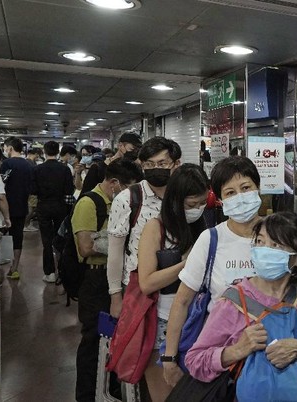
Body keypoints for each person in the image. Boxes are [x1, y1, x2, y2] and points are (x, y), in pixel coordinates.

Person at [186, 211, 297, 389]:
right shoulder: (233, 300)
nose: (263, 250)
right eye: (260, 242)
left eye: (275, 244)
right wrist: (236, 350)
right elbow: (194, 361)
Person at [163, 155, 262, 387]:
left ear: (258, 188)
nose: (240, 196)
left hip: (270, 352)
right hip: (221, 357)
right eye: (230, 193)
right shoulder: (211, 239)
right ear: (219, 200)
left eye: (246, 187)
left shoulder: (280, 234)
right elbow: (182, 302)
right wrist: (169, 358)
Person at [71, 158, 143, 402]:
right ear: (114, 183)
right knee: (93, 340)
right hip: (95, 280)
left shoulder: (122, 203)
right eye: (129, 187)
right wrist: (116, 242)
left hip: (119, 279)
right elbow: (85, 247)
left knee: (116, 340)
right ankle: (87, 396)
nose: (132, 194)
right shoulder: (88, 203)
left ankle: (110, 390)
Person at [136, 164, 209, 401]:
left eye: (201, 204)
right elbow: (146, 283)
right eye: (191, 205)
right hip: (163, 324)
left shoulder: (204, 228)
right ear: (175, 200)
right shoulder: (155, 228)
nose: (197, 210)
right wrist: (185, 265)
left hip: (198, 321)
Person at [107, 137, 182, 319]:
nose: (155, 168)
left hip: (178, 285)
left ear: (176, 164)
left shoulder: (184, 196)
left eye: (162, 163)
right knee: (139, 343)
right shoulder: (127, 199)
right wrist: (116, 297)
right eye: (149, 164)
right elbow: (115, 253)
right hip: (137, 287)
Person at [31, 141, 75, 283]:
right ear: (58, 152)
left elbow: (33, 190)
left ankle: (49, 272)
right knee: (61, 238)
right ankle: (63, 271)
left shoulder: (38, 169)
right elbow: (69, 192)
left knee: (46, 240)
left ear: (44, 151)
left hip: (43, 206)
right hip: (60, 206)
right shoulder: (65, 169)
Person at [0, 137, 33, 280]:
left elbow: (2, 187)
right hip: (21, 206)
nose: (5, 151)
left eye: (5, 148)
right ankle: (14, 268)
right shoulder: (29, 165)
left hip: (4, 207)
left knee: (1, 237)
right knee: (18, 237)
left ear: (10, 148)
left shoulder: (6, 164)